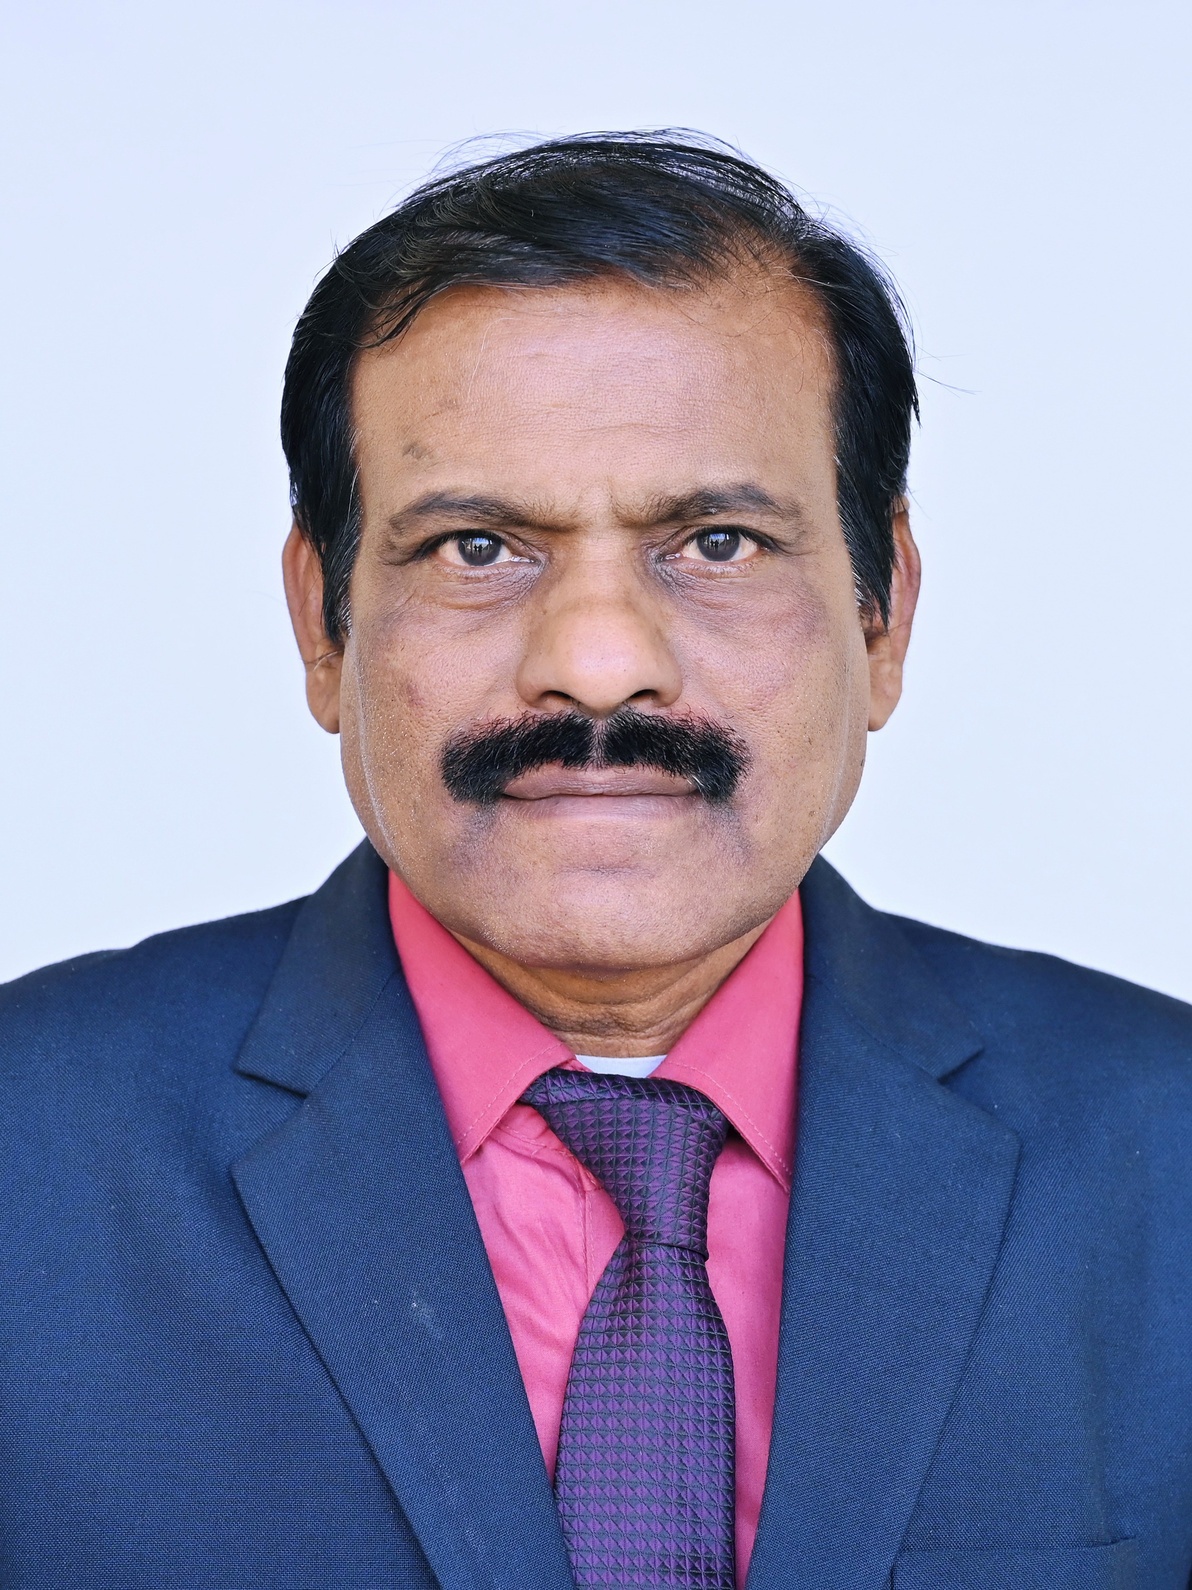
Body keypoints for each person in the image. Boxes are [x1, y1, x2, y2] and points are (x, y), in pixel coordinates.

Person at [1, 133, 1189, 1590]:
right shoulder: (23, 1154)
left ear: (884, 616)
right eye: (479, 547)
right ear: (321, 624)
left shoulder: (1167, 1149)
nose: (602, 662)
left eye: (719, 542)